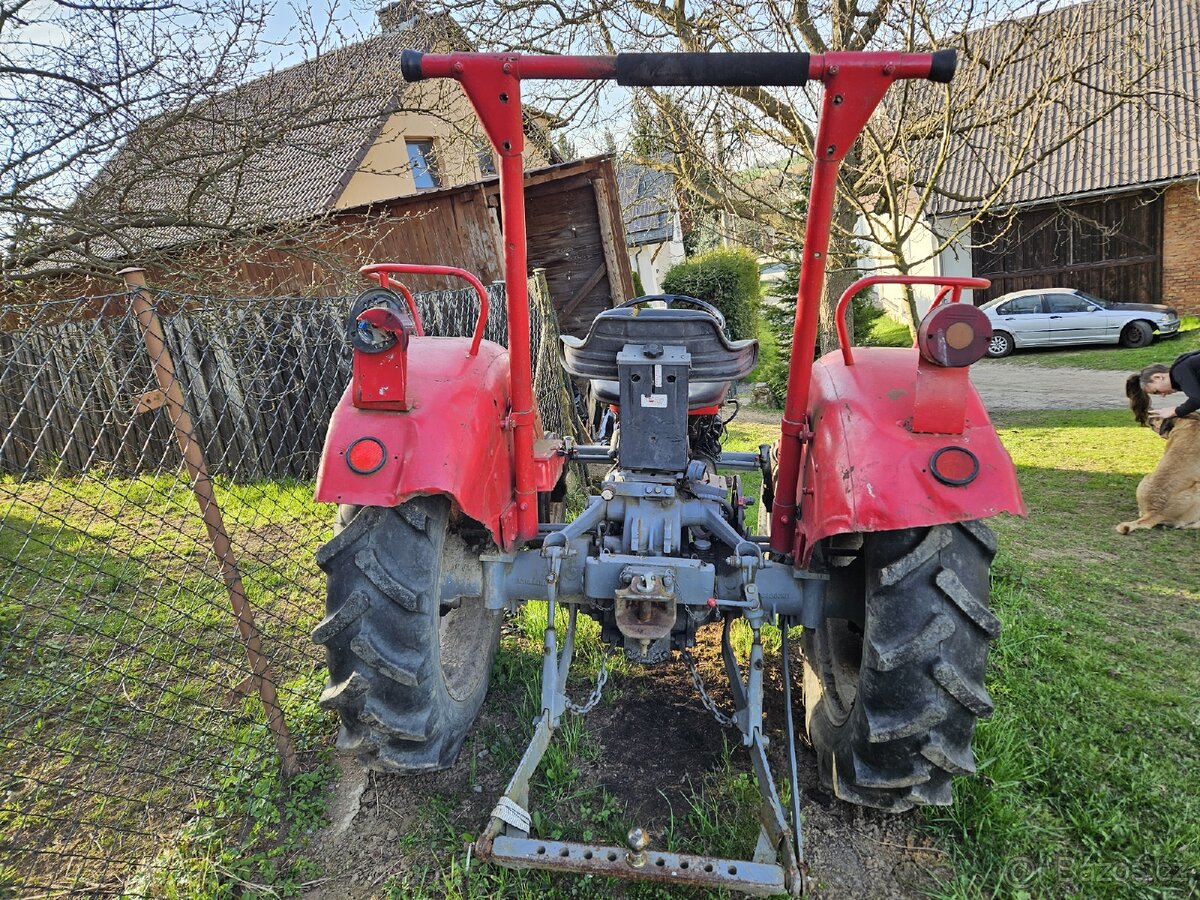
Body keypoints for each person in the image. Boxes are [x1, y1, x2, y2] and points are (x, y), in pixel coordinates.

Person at [1126, 349, 1200, 427]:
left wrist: (1175, 411)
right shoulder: (1182, 369)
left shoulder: (1179, 371)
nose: (1163, 395)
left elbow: (1197, 400)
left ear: (1157, 377)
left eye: (1157, 391)